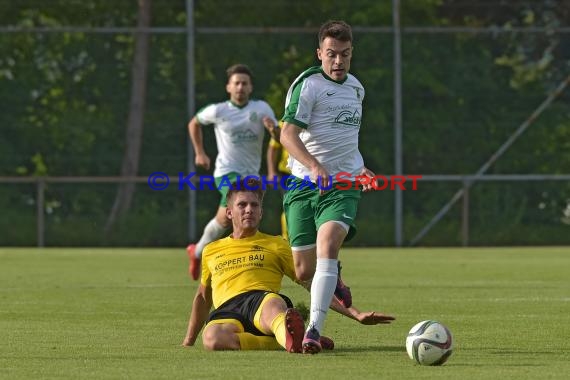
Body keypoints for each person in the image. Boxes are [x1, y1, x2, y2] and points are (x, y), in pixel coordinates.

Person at [181, 178, 395, 353]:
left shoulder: (277, 244)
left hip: (261, 301)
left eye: (255, 205)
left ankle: (292, 339)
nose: (249, 210)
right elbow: (202, 297)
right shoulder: (212, 249)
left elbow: (313, 282)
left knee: (275, 308)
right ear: (229, 213)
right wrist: (188, 341)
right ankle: (292, 340)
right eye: (242, 205)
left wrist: (356, 314)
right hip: (227, 310)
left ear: (261, 213)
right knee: (212, 339)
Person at [280, 20, 378, 354]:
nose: (339, 62)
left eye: (345, 55)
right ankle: (333, 274)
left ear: (352, 54)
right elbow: (287, 135)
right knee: (304, 270)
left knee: (327, 245)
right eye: (332, 54)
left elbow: (348, 140)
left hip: (343, 186)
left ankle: (313, 331)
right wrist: (314, 166)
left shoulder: (357, 88)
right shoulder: (307, 85)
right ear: (319, 53)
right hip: (302, 186)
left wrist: (360, 166)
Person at [186, 64, 280, 281]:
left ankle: (198, 251)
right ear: (228, 87)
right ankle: (239, 264)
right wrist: (200, 153)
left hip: (251, 176)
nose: (240, 87)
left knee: (227, 219)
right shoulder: (219, 110)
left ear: (250, 87)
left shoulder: (262, 109)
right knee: (242, 212)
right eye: (236, 83)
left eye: (244, 83)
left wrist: (273, 130)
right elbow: (194, 123)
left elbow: (278, 138)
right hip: (226, 172)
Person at [266, 121, 291, 239]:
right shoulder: (284, 123)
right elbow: (273, 148)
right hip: (287, 174)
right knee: (290, 206)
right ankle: (287, 239)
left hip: (313, 175)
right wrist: (271, 172)